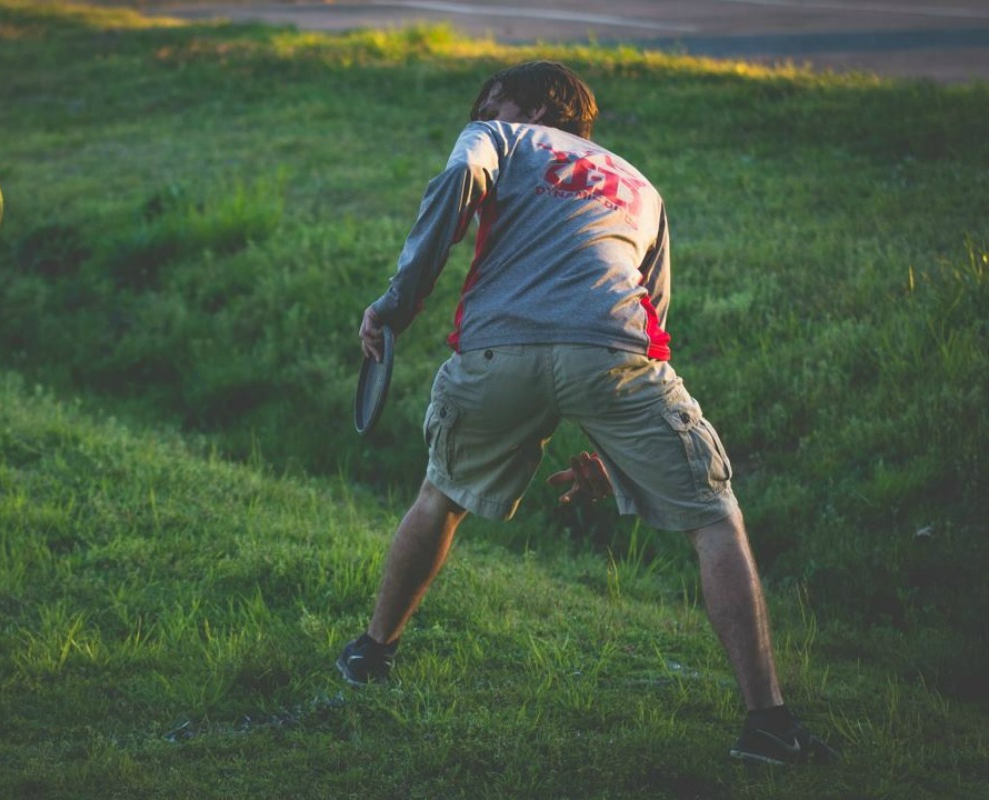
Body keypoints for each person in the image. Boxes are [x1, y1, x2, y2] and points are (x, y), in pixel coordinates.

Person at [335, 61, 836, 766]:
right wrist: (614, 450)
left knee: (440, 496)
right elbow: (652, 320)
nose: (480, 112)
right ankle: (767, 726)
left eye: (494, 101)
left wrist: (395, 305)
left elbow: (458, 181)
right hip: (615, 356)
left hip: (495, 354)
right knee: (715, 516)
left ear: (543, 107)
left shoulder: (500, 140)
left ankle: (372, 653)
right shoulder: (643, 188)